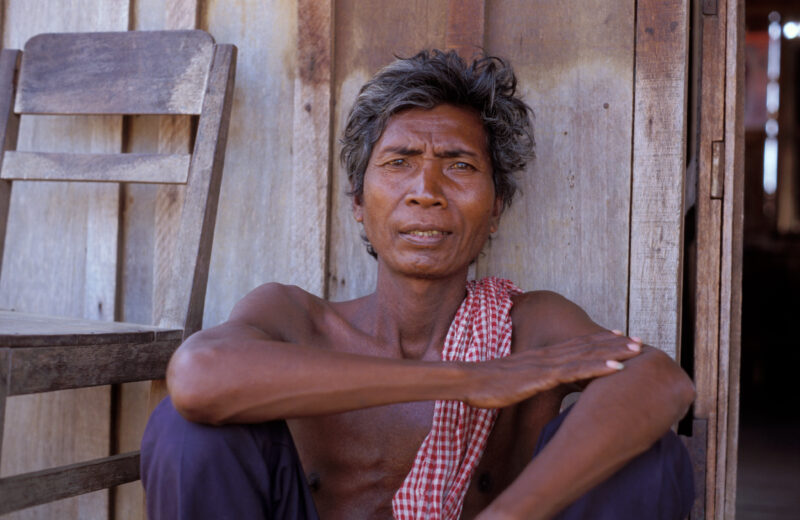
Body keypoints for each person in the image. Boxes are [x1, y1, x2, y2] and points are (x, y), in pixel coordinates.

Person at [141, 49, 696, 519]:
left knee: (647, 455)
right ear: (358, 202)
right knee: (190, 428)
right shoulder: (296, 321)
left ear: (496, 208)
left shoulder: (529, 327)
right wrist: (467, 380)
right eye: (399, 162)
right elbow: (195, 377)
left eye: (459, 165)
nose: (426, 190)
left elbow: (659, 381)